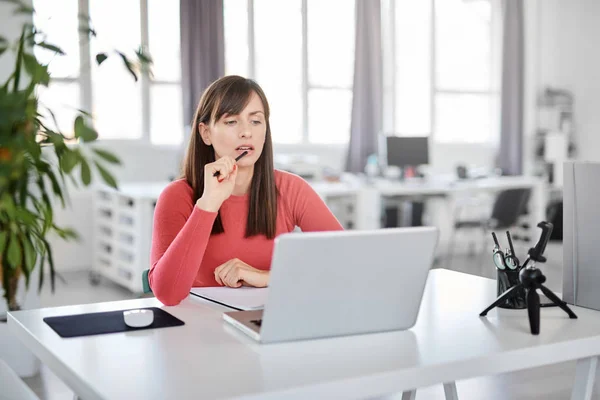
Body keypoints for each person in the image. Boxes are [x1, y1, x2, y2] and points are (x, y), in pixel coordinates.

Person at [149, 75, 344, 306]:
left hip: (269, 322)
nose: (246, 132)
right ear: (206, 133)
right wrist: (208, 204)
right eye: (231, 121)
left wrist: (266, 278)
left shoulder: (291, 189)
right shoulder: (177, 196)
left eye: (256, 121)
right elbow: (167, 294)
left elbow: (346, 259)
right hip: (199, 327)